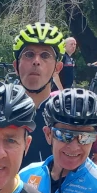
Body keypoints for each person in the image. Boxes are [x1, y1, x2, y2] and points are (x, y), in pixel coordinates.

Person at [14, 22, 65, 168]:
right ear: (15, 66)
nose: (36, 61)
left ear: (58, 68)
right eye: (29, 54)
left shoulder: (68, 114)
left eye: (45, 55)